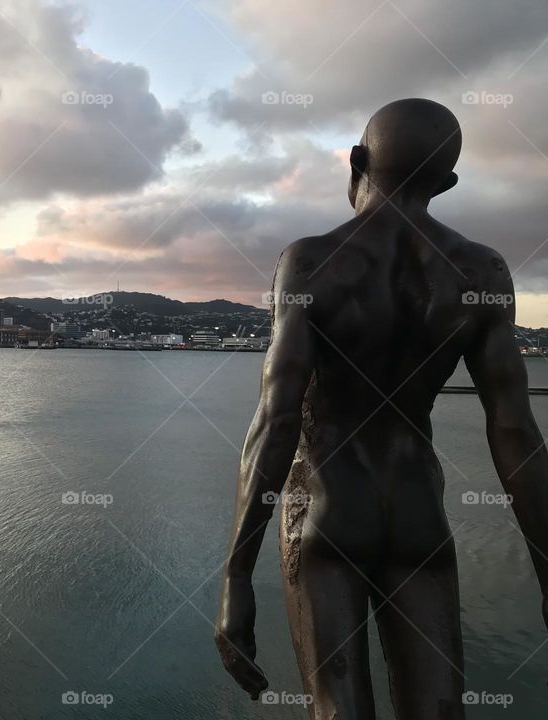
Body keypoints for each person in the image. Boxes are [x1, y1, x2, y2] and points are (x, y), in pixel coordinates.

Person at [213, 98, 548, 720]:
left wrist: (235, 576)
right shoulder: (481, 270)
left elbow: (276, 420)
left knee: (339, 710)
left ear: (356, 161)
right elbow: (516, 434)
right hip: (419, 515)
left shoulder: (310, 261)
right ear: (446, 183)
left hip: (326, 512)